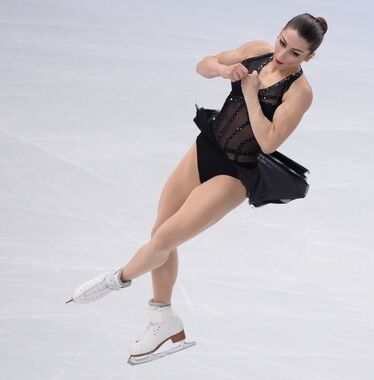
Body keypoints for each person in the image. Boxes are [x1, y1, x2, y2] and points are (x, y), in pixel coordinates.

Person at [66, 13, 328, 364]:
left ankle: (117, 279)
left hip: (235, 173)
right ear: (278, 34)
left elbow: (268, 141)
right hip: (205, 148)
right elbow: (204, 64)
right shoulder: (256, 51)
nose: (283, 54)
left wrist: (251, 95)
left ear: (309, 57)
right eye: (282, 42)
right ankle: (163, 319)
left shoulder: (300, 92)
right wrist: (225, 71)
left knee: (163, 241)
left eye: (295, 53)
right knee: (161, 231)